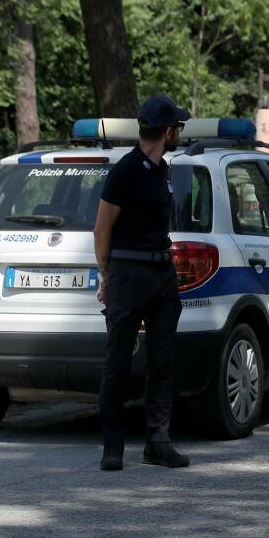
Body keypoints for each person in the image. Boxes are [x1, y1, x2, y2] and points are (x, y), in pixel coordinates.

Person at [94, 95, 192, 471]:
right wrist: (107, 276)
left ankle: (158, 442)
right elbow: (102, 229)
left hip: (162, 274)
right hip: (128, 273)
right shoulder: (125, 171)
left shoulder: (164, 169)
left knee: (162, 360)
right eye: (177, 128)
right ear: (166, 132)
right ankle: (112, 447)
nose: (179, 134)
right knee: (118, 360)